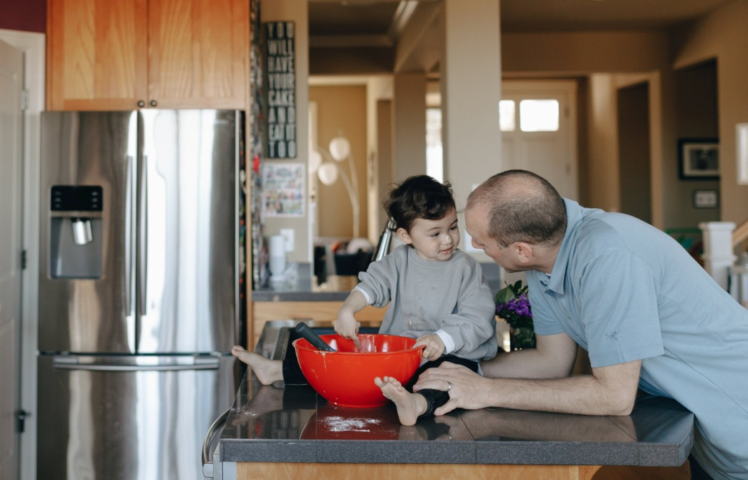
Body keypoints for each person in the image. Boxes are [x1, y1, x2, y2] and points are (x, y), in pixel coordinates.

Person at [414, 169, 748, 480]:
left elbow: (615, 396)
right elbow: (551, 362)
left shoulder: (607, 256)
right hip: (710, 440)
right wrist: (464, 368)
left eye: (480, 239)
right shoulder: (547, 259)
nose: (473, 246)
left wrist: (484, 391)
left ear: (521, 250)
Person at [233, 175, 498, 425]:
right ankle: (275, 371)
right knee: (350, 368)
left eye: (452, 227)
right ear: (406, 236)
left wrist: (442, 339)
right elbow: (372, 285)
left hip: (452, 354)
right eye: (435, 233)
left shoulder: (466, 268)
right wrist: (348, 310)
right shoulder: (398, 261)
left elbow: (478, 318)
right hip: (403, 358)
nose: (448, 239)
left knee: (447, 376)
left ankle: (417, 404)